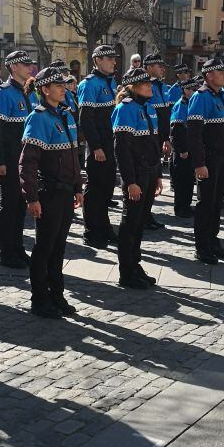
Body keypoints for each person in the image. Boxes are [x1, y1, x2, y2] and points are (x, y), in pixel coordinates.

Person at [20, 67, 82, 318]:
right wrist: (31, 197)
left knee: (59, 248)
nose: (63, 89)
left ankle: (57, 295)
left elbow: (74, 157)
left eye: (64, 85)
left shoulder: (65, 115)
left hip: (66, 191)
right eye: (58, 86)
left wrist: (78, 187)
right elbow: (28, 163)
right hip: (49, 192)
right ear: (45, 90)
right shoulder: (38, 117)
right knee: (44, 248)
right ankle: (40, 299)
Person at [112, 68, 162, 289]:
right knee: (130, 223)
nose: (150, 87)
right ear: (133, 87)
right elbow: (122, 149)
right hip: (136, 175)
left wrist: (158, 174)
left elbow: (153, 145)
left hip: (150, 172)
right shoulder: (126, 109)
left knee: (140, 222)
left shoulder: (149, 107)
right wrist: (130, 181)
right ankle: (126, 271)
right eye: (145, 84)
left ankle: (136, 264)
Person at [0, 50, 35, 267]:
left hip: (23, 160)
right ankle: (7, 253)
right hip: (9, 160)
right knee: (8, 207)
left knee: (19, 208)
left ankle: (17, 248)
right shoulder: (3, 93)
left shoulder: (25, 92)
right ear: (14, 67)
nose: (30, 68)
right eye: (25, 65)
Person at [187, 58, 224, 264]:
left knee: (216, 203)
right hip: (207, 159)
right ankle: (202, 246)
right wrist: (199, 163)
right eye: (221, 72)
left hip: (221, 157)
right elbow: (194, 134)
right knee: (205, 203)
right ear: (209, 75)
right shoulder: (201, 97)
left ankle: (213, 241)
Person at [76, 45, 120, 248]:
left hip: (109, 143)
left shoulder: (110, 81)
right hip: (98, 146)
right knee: (94, 190)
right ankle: (91, 231)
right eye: (109, 58)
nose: (113, 61)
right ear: (98, 60)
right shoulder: (90, 84)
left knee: (106, 189)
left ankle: (104, 226)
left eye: (114, 58)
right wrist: (95, 147)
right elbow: (86, 119)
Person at [144, 52, 172, 231]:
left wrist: (166, 138)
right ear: (148, 68)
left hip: (159, 136)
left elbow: (164, 116)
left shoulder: (162, 87)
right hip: (149, 137)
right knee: (147, 177)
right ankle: (143, 215)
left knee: (154, 175)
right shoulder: (146, 86)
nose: (162, 69)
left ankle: (147, 213)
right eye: (158, 66)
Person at [169, 77, 199, 218]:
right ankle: (180, 208)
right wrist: (182, 150)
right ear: (185, 90)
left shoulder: (192, 104)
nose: (194, 91)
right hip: (183, 151)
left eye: (195, 89)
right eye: (191, 89)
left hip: (191, 148)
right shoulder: (180, 105)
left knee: (189, 180)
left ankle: (186, 205)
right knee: (181, 181)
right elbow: (176, 131)